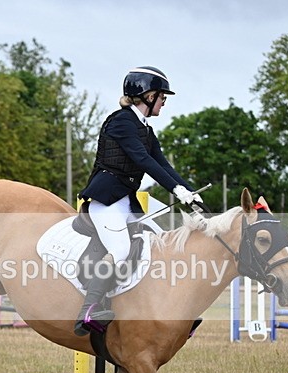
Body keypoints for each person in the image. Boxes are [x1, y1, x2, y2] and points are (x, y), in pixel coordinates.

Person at [74, 66, 204, 336]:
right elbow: (142, 161)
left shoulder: (145, 129)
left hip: (126, 201)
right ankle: (88, 310)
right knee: (120, 250)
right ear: (147, 95)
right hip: (106, 199)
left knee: (160, 242)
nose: (164, 101)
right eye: (162, 96)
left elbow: (162, 164)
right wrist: (174, 190)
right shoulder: (121, 121)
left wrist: (190, 193)